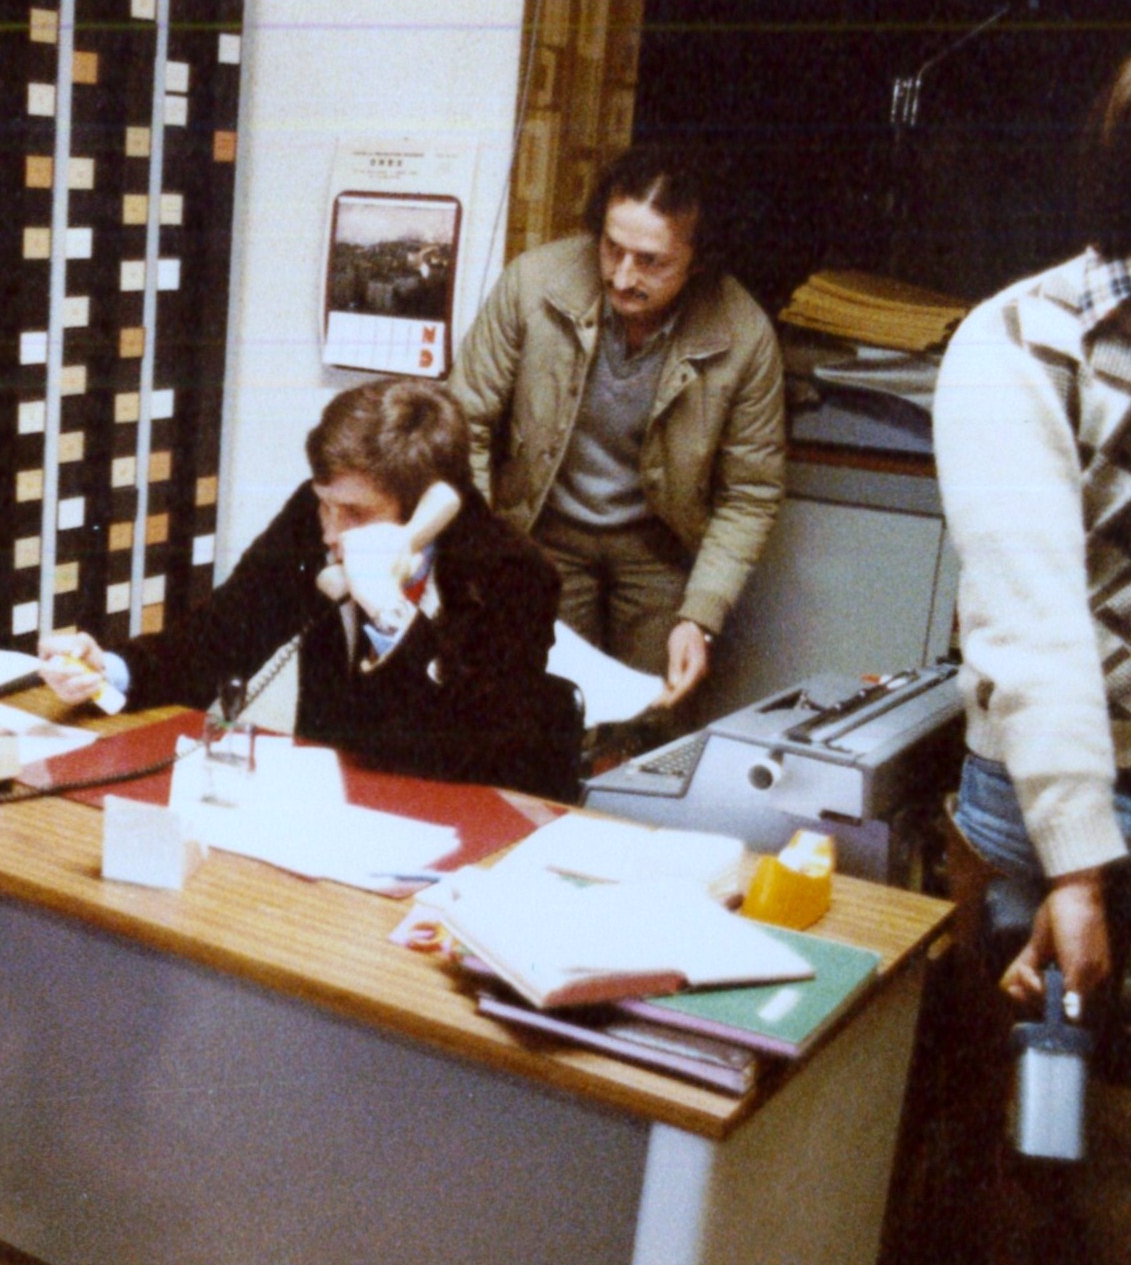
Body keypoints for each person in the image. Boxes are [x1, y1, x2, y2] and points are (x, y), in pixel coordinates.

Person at [933, 31, 1131, 1265]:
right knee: (1034, 1140)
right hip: (1046, 798)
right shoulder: (1019, 341)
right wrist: (1080, 867)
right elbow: (1029, 620)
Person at [39, 375, 574, 799]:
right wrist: (110, 670)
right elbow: (220, 636)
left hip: (447, 824)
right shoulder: (314, 515)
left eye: (355, 513)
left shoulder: (513, 574)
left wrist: (392, 616)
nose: (330, 532)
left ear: (428, 510)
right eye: (324, 503)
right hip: (327, 805)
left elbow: (474, 751)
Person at [446, 144, 785, 710]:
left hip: (660, 547)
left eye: (651, 261)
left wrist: (701, 616)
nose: (623, 277)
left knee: (651, 717)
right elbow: (464, 425)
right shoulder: (533, 284)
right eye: (611, 248)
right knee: (541, 707)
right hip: (542, 531)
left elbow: (749, 495)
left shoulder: (744, 335)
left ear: (699, 259)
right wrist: (482, 552)